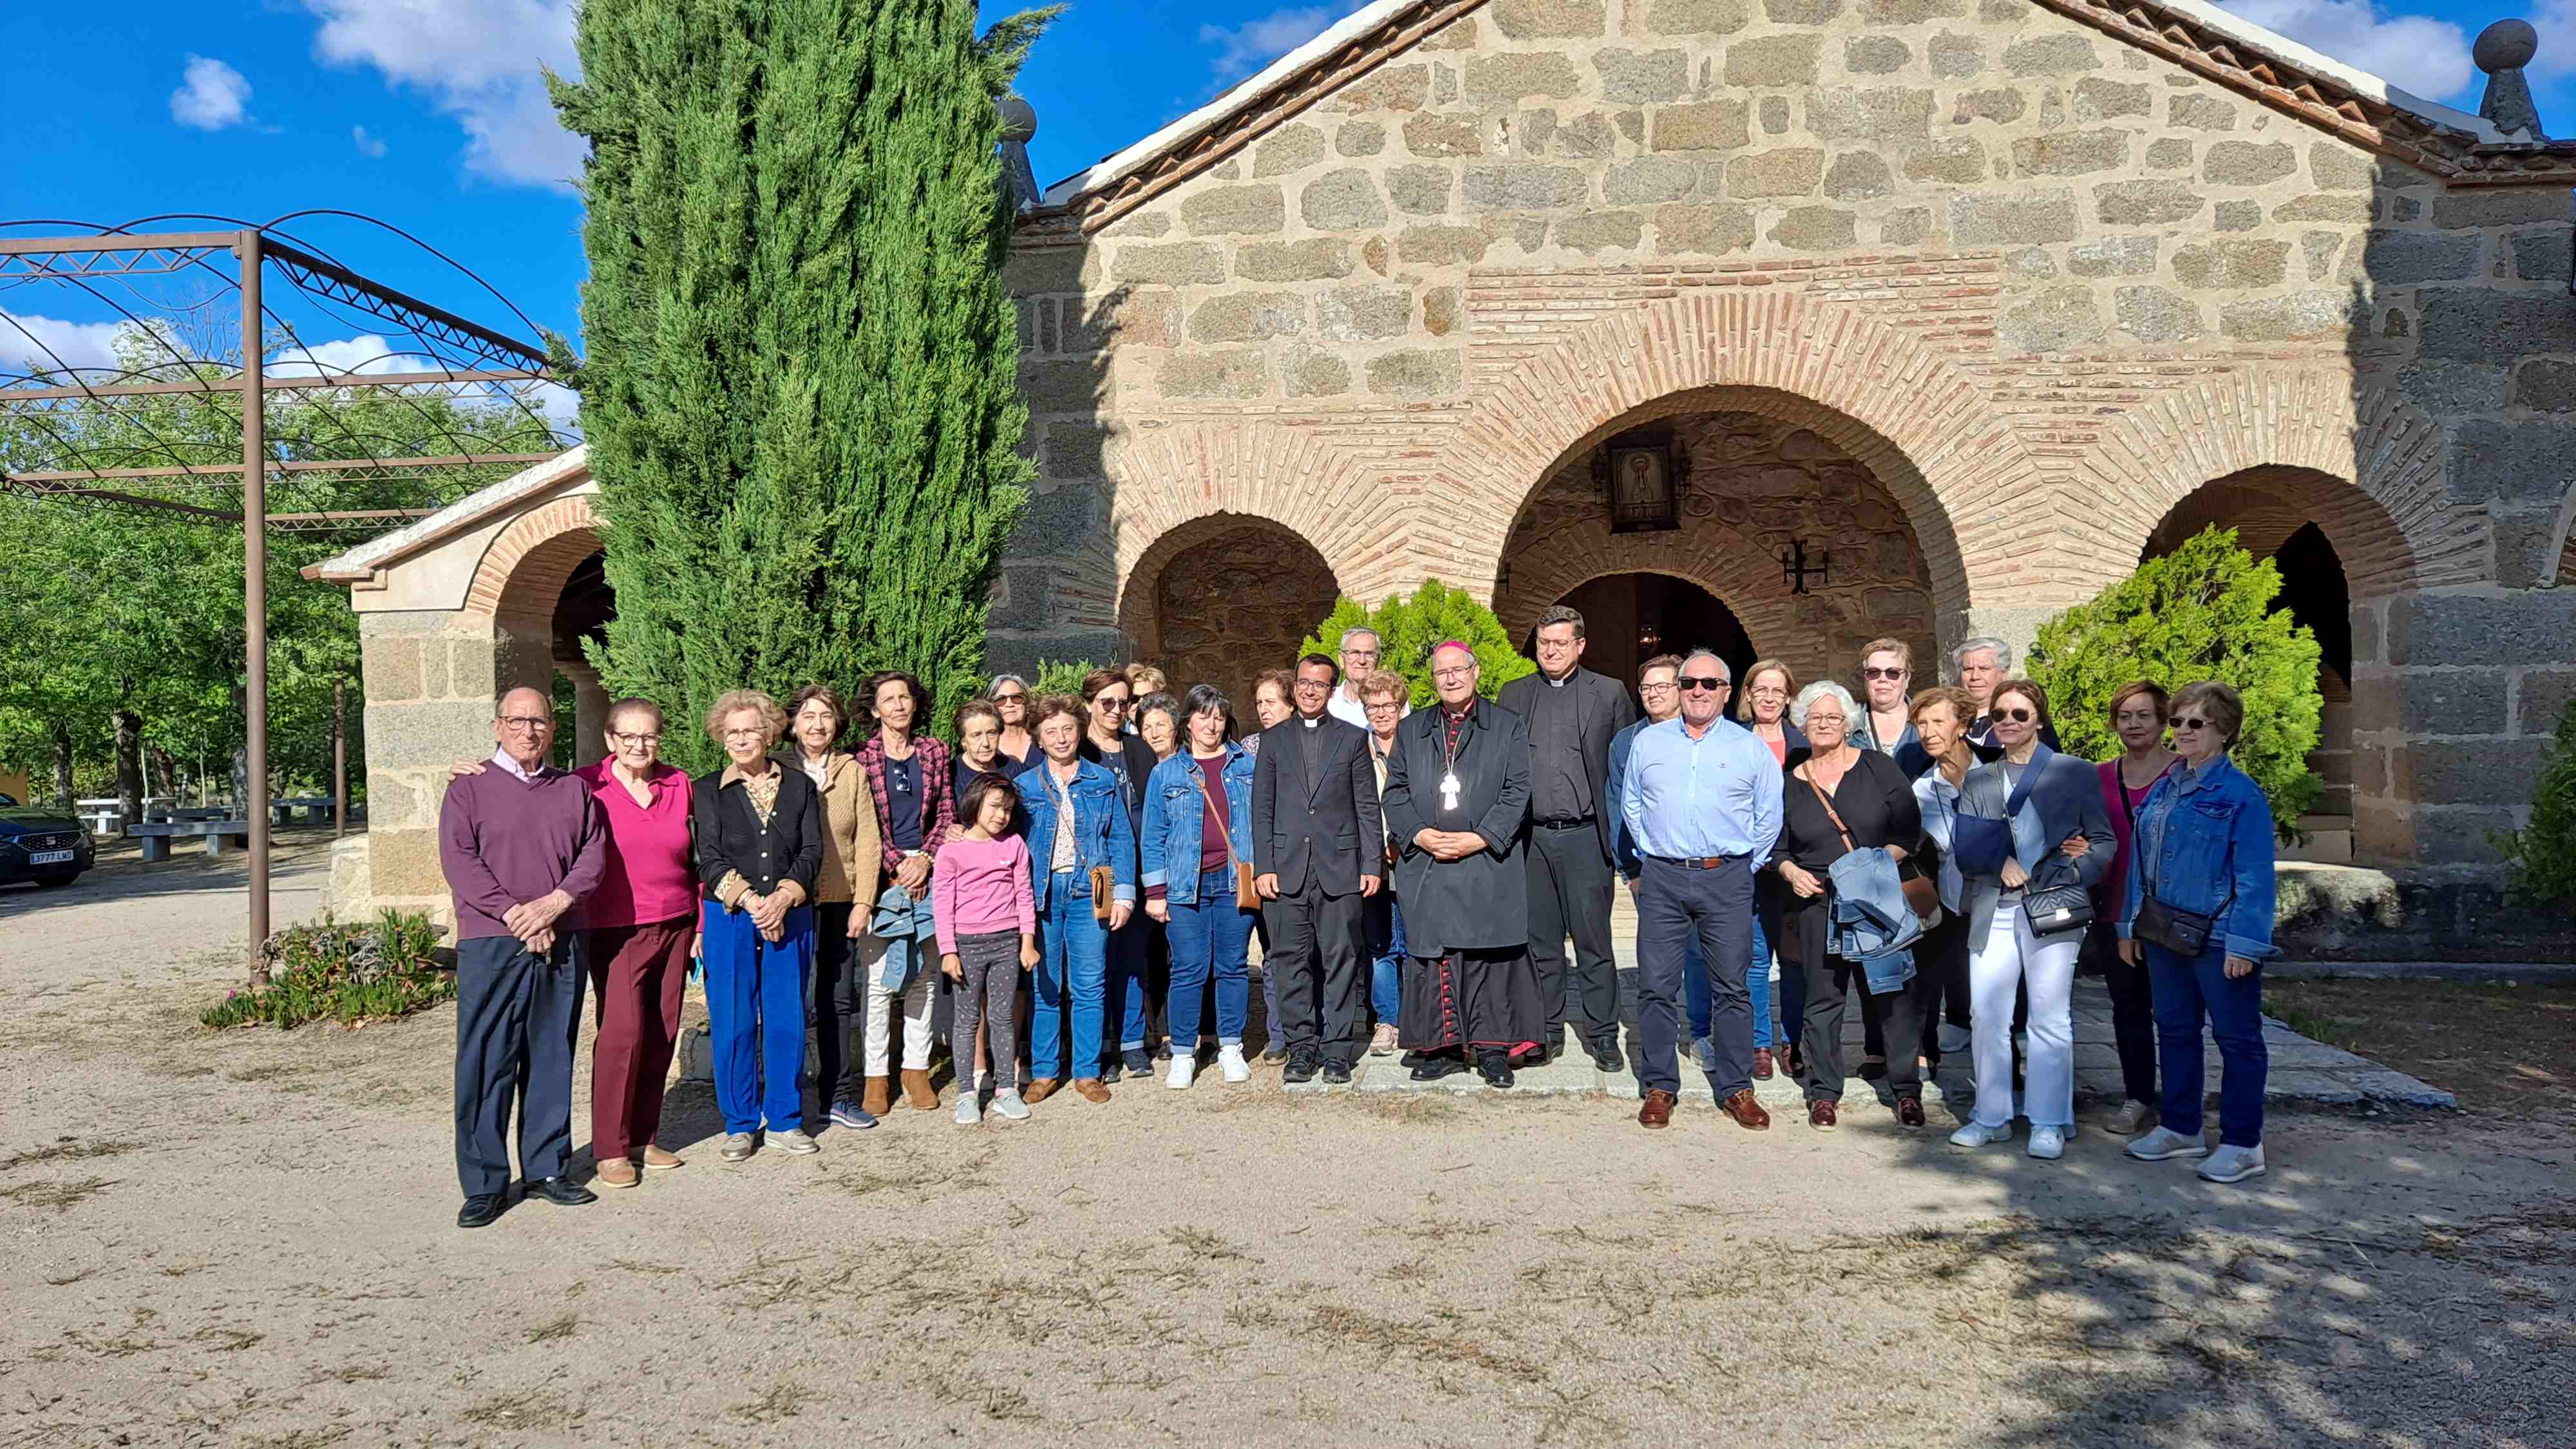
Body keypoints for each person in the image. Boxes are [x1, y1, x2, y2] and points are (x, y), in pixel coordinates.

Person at [437, 686, 606, 1227]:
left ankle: (547, 1169)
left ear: (552, 730)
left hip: (562, 935)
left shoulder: (574, 792)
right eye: (517, 721)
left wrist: (554, 905)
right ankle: (485, 1182)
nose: (528, 730)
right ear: (497, 726)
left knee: (552, 1054)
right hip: (492, 940)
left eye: (538, 722)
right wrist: (516, 915)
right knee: (487, 1059)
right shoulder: (469, 789)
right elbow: (460, 860)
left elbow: (593, 856)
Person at [1947, 678, 2114, 1160]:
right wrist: (1997, 863)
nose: (2009, 723)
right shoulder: (1979, 779)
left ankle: (2048, 1120)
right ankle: (1991, 1116)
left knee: (2049, 1015)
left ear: (2039, 718)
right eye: (2000, 715)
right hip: (1994, 908)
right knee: (1988, 1015)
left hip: (2055, 907)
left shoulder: (2075, 773)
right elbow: (1966, 848)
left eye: (2020, 714)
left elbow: (2103, 841)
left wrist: (2076, 870)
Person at [2119, 682, 2278, 1184]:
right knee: (2176, 1031)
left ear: (2224, 731)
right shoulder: (2167, 785)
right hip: (2164, 932)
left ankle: (2242, 1142)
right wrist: (2129, 924)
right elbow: (2140, 861)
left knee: (2237, 1039)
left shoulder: (2240, 795)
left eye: (2196, 723)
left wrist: (2246, 944)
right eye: (2178, 721)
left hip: (2219, 937)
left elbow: (2255, 876)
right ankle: (2182, 1127)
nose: (2182, 731)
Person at [1620, 649, 1783, 1130]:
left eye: (1709, 684)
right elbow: (1633, 804)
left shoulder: (1748, 747)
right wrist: (1655, 852)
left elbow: (1768, 815)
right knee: (1655, 985)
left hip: (1728, 875)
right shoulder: (1649, 743)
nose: (1697, 691)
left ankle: (1736, 1088)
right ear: (1678, 688)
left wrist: (1740, 865)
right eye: (1689, 683)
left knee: (1732, 986)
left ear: (1727, 693)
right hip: (1665, 875)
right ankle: (1659, 1085)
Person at [1381, 642, 1540, 1086]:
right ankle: (1442, 1046)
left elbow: (1517, 789)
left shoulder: (1506, 725)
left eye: (1458, 671)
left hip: (1486, 859)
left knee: (1487, 956)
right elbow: (1394, 792)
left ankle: (1491, 1049)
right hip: (1429, 864)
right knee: (1437, 957)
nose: (1450, 679)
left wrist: (1479, 838)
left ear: (1475, 672)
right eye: (1441, 673)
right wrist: (1419, 834)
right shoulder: (1412, 730)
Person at [1772, 681, 1928, 1132]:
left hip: (1875, 899)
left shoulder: (1878, 769)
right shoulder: (1790, 783)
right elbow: (1777, 850)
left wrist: (1871, 866)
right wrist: (1791, 873)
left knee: (1891, 995)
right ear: (1802, 724)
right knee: (1823, 1001)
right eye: (1814, 718)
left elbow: (1907, 835)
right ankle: (1824, 1093)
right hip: (1818, 902)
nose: (1823, 724)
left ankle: (1906, 1091)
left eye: (1833, 717)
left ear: (1848, 724)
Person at [1495, 606, 1637, 1070]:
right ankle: (1547, 1030)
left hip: (1585, 838)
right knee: (1541, 944)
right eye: (1543, 643)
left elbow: (1624, 771)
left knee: (1595, 945)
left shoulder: (1610, 693)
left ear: (1580, 645)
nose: (1550, 651)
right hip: (1532, 839)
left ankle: (1602, 1034)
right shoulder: (1514, 694)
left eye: (1560, 643)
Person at [693, 689, 824, 1163]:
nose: (742, 739)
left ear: (770, 733)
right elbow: (707, 857)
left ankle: (786, 1120)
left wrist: (784, 898)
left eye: (750, 730)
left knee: (787, 1017)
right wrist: (753, 902)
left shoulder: (800, 786)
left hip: (791, 915)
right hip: (731, 917)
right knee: (734, 1019)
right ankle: (740, 1122)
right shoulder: (706, 789)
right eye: (732, 732)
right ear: (721, 738)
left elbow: (812, 852)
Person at [574, 699, 699, 1189]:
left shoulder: (679, 783)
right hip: (618, 927)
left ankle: (644, 1137)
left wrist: (702, 923)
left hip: (677, 921)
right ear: (610, 740)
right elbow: (529, 789)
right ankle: (609, 1147)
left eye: (648, 736)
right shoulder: (586, 785)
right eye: (629, 737)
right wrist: (474, 772)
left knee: (662, 1030)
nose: (639, 746)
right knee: (622, 1033)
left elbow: (699, 855)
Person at [1251, 652, 1383, 1084]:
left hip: (1341, 868)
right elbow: (1262, 808)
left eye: (1320, 684)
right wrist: (1264, 866)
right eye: (1304, 682)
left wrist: (1371, 863)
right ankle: (1302, 1048)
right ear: (1295, 684)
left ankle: (1338, 1051)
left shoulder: (1351, 738)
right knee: (1290, 961)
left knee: (1341, 959)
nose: (1310, 690)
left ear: (1332, 689)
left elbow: (1367, 806)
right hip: (1286, 871)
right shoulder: (1273, 740)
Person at [1016, 695, 1136, 1104]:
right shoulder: (1026, 786)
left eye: (1068, 729)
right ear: (1039, 738)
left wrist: (1124, 894)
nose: (1061, 738)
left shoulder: (1102, 780)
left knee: (1089, 986)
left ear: (1080, 730)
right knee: (1045, 987)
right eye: (1051, 732)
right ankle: (1046, 1070)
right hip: (1043, 897)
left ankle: (1087, 1072)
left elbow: (1120, 838)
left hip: (1090, 892)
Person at [1142, 683, 1260, 1088]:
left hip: (1232, 883)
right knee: (1188, 969)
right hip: (1183, 886)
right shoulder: (1167, 772)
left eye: (1219, 716)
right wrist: (1155, 894)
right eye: (1204, 715)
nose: (1212, 724)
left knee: (1231, 967)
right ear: (1187, 722)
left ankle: (1230, 1046)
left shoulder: (1246, 765)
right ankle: (1183, 1053)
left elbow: (1264, 822)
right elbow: (1153, 835)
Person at [784, 685, 884, 1135]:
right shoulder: (778, 768)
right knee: (786, 1000)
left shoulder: (852, 771)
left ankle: (838, 1096)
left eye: (825, 716)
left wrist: (864, 900)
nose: (817, 724)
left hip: (841, 902)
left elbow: (867, 840)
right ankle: (784, 1102)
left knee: (838, 1002)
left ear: (837, 723)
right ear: (792, 723)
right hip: (791, 904)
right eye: (808, 715)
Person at [855, 672, 953, 1115]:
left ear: (915, 704)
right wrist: (897, 865)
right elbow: (864, 823)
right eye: (888, 700)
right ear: (875, 709)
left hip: (928, 875)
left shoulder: (934, 751)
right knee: (879, 983)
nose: (898, 706)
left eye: (905, 698)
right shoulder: (860, 759)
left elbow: (947, 811)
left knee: (925, 977)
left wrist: (924, 862)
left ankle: (915, 1069)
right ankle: (876, 1075)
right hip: (881, 877)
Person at [2092, 681, 2175, 1137]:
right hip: (2116, 908)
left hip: (2172, 913)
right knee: (2129, 1009)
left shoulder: (2185, 773)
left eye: (2144, 715)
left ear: (2163, 721)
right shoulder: (2100, 776)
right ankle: (2138, 1097)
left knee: (2177, 1012)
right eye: (2125, 716)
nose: (2134, 724)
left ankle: (2181, 1102)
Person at [935, 774, 1038, 1125]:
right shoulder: (951, 851)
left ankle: (1006, 1090)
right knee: (966, 1021)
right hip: (966, 946)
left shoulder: (1014, 846)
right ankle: (967, 1093)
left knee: (1003, 1017)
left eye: (1008, 809)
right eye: (995, 806)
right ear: (975, 803)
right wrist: (948, 951)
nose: (1001, 815)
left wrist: (1027, 942)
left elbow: (1025, 895)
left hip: (1007, 943)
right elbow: (942, 903)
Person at [1079, 668, 1162, 1079]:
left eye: (1123, 703)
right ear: (1090, 704)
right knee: (1099, 961)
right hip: (1099, 870)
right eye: (1107, 702)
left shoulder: (1139, 750)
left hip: (1139, 868)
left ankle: (1131, 1043)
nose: (1116, 710)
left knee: (1132, 958)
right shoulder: (1076, 750)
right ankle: (1102, 1047)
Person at [1735, 658, 1806, 1077]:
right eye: (1760, 689)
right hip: (1749, 868)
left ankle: (1793, 1040)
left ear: (1788, 697)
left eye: (1777, 691)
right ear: (1747, 694)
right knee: (1757, 961)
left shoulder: (1803, 744)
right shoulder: (1731, 741)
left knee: (1795, 962)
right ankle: (1760, 1043)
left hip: (1795, 867)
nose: (1768, 697)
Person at [1906, 687, 1981, 1080]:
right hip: (1947, 895)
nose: (1929, 731)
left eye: (1939, 721)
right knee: (1929, 974)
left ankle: (2008, 1069)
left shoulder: (1996, 772)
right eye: (1921, 724)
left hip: (1999, 896)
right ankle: (1923, 1052)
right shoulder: (1922, 789)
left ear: (1963, 724)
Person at [1356, 669, 1410, 1056]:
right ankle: (1387, 1022)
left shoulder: (1419, 745)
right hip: (1374, 861)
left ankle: (1420, 1021)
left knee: (1418, 944)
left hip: (1416, 857)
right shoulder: (1357, 749)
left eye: (1388, 705)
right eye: (1373, 706)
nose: (1381, 712)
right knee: (1381, 946)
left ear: (1401, 706)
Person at [1245, 667, 1298, 1060]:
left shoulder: (1309, 742)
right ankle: (1279, 1035)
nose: (1264, 709)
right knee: (1274, 952)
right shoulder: (1248, 748)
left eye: (1271, 702)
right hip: (1266, 863)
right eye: (1259, 702)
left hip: (1306, 862)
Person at [1955, 638, 2060, 752]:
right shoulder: (1948, 716)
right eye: (1968, 669)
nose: (1975, 677)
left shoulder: (2024, 717)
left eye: (1984, 669)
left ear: (2004, 673)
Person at [1854, 638, 1927, 777]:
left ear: (1907, 679)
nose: (1883, 679)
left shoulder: (1927, 723)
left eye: (1892, 673)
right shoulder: (1848, 727)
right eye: (1873, 672)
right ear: (1865, 679)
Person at [1326, 627, 1405, 730]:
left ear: (1378, 660)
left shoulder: (1394, 701)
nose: (1362, 661)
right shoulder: (1328, 702)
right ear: (1341, 659)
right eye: (1355, 653)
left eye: (1369, 654)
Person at [952, 697, 1030, 800]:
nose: (986, 743)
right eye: (976, 735)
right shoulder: (952, 775)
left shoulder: (1015, 770)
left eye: (991, 733)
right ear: (963, 741)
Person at [990, 674, 1037, 766]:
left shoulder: (1043, 738)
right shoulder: (987, 745)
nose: (1009, 704)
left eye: (1017, 698)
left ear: (1027, 703)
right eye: (1000, 699)